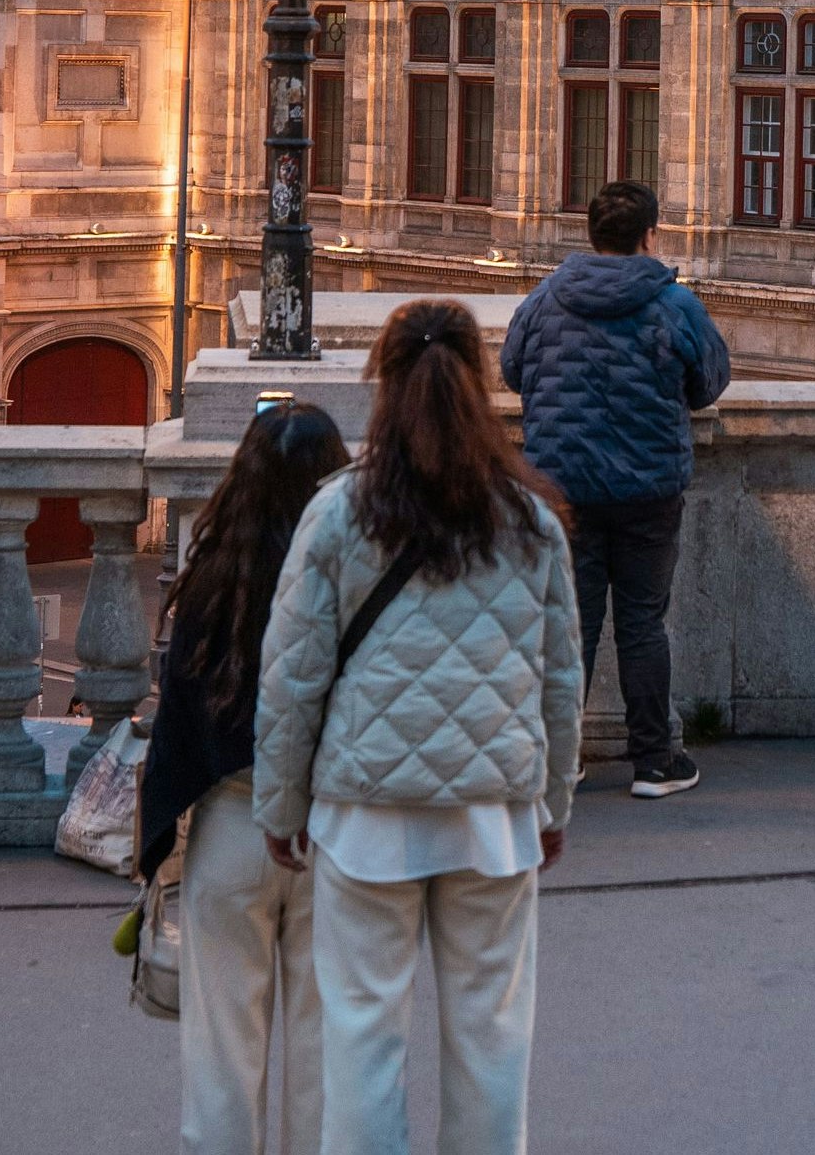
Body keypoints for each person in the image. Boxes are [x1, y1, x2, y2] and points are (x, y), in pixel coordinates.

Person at [249, 301, 582, 1155]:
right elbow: (559, 680)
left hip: (366, 815)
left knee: (361, 1036)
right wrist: (552, 803)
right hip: (492, 816)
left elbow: (293, 679)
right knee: (491, 1038)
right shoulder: (530, 519)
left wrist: (281, 809)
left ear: (384, 387)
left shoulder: (338, 514)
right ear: (478, 384)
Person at [146, 401, 352, 1155]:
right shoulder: (355, 588)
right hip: (334, 833)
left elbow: (177, 731)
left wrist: (156, 846)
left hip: (233, 827)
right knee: (325, 1056)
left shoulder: (212, 587)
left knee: (220, 1057)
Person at [500, 179, 730, 800]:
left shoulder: (545, 299)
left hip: (564, 487)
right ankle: (655, 760)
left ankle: (563, 757)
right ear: (650, 236)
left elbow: (512, 370)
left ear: (592, 234)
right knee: (642, 624)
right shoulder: (673, 304)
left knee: (571, 624)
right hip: (648, 487)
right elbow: (710, 381)